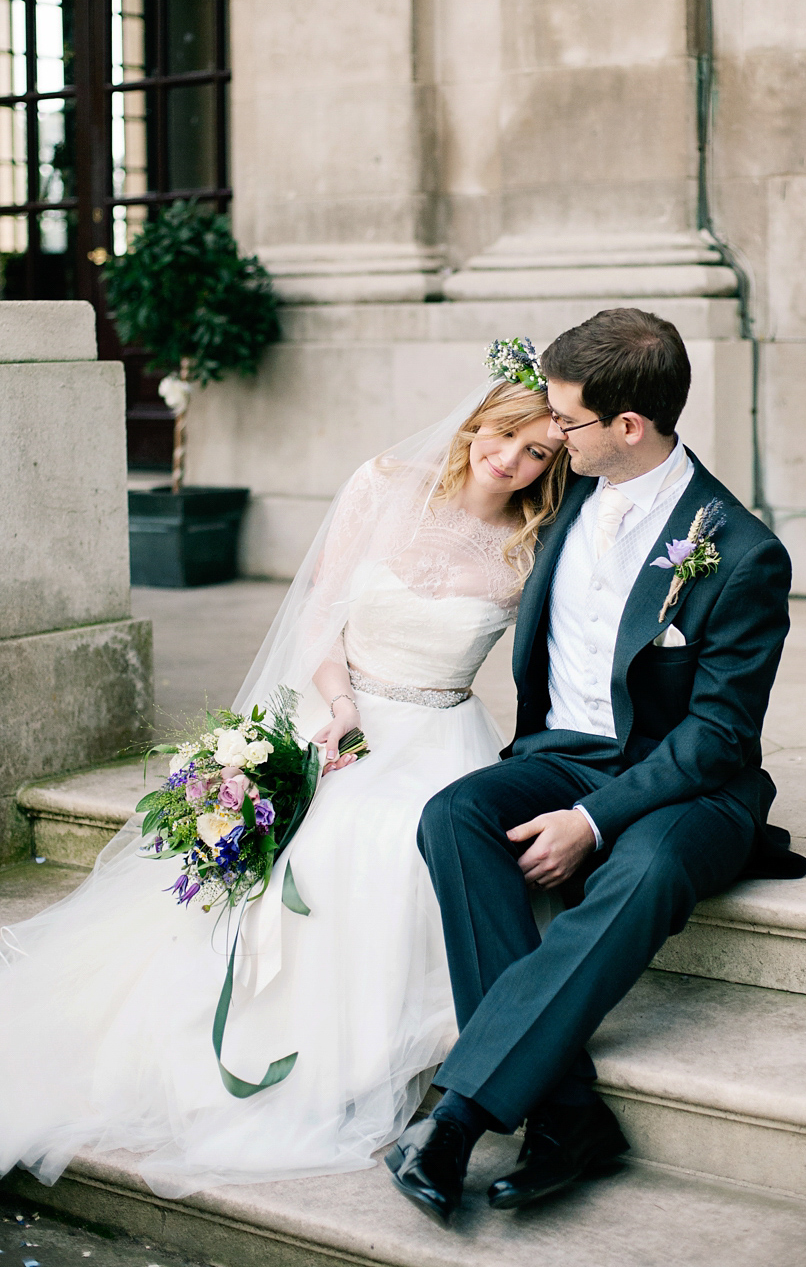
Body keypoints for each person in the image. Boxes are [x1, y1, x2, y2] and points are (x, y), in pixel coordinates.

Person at [0, 348, 566, 1199]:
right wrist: (337, 707)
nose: (511, 460)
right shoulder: (382, 485)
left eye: (537, 454)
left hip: (444, 733)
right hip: (343, 712)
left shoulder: (534, 547)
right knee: (315, 836)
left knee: (399, 844)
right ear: (476, 423)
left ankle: (386, 1055)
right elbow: (318, 612)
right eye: (503, 435)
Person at [387, 308, 806, 1226]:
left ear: (629, 426)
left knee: (644, 863)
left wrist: (593, 823)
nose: (551, 434)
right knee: (452, 816)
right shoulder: (568, 492)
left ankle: (461, 1115)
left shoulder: (738, 552)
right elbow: (455, 511)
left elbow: (720, 737)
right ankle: (571, 1112)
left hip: (687, 782)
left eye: (568, 422)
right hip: (558, 753)